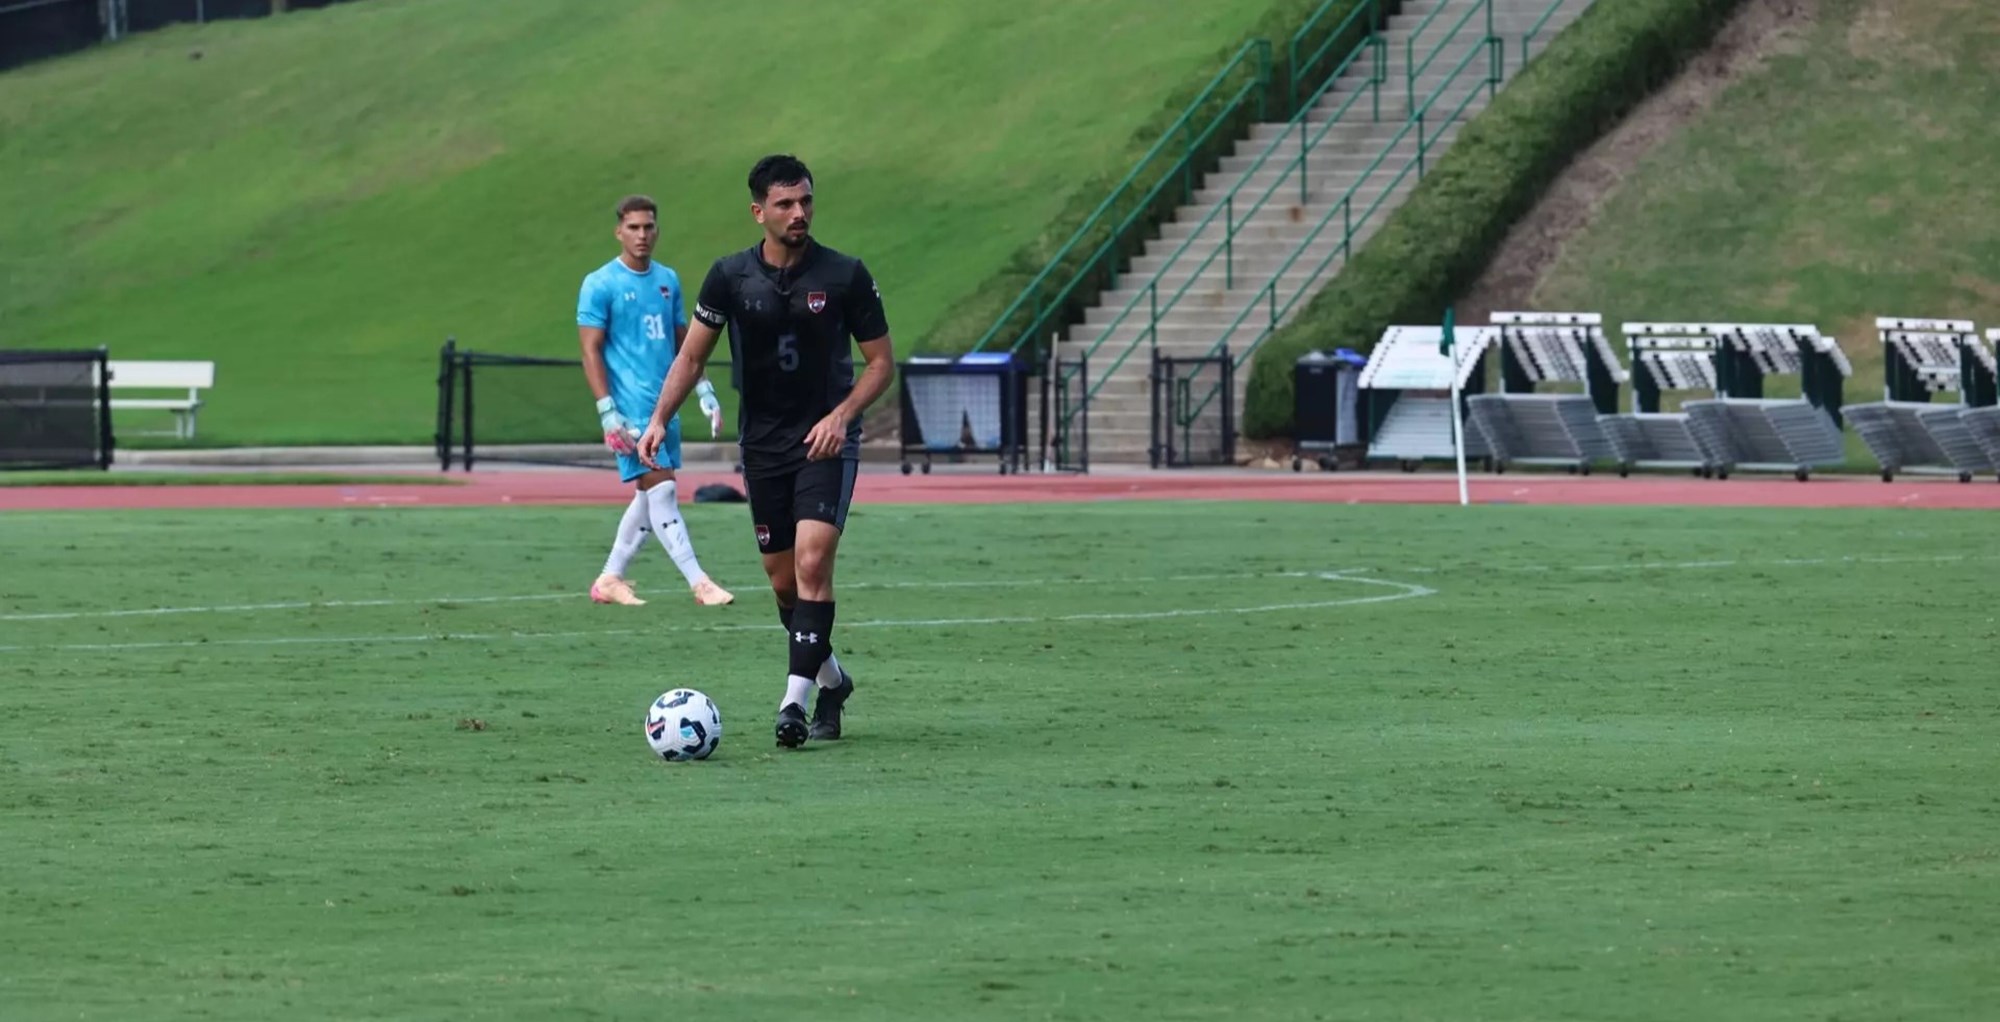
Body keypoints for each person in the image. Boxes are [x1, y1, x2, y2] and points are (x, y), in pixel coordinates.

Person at [638, 154, 894, 749]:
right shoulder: (729, 277)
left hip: (826, 441)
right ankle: (832, 681)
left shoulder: (845, 274)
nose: (799, 212)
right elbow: (692, 357)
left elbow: (881, 363)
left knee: (811, 564)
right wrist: (658, 420)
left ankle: (792, 706)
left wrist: (842, 416)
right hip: (762, 447)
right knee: (784, 585)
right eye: (784, 203)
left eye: (805, 200)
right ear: (759, 212)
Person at [577, 194, 734, 609]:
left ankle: (609, 578)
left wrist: (703, 389)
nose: (642, 235)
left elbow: (685, 341)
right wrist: (607, 411)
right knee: (662, 489)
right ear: (619, 232)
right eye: (633, 227)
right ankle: (700, 583)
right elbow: (590, 351)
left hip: (665, 406)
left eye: (648, 227)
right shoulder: (600, 284)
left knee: (647, 499)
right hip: (630, 412)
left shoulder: (667, 279)